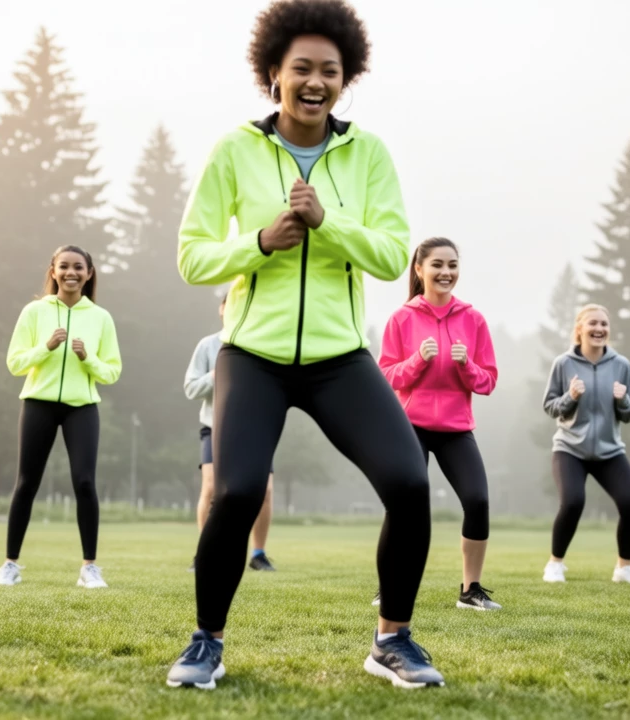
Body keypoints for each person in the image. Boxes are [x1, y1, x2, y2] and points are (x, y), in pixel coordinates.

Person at [166, 0, 443, 690]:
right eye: (301, 69)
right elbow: (192, 256)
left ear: (346, 79)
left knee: (409, 484)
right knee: (234, 492)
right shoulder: (235, 149)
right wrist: (260, 243)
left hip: (338, 358)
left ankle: (392, 640)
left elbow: (392, 255)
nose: (316, 82)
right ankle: (205, 643)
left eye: (330, 71)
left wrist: (328, 222)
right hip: (252, 356)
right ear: (273, 74)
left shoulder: (367, 153)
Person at [378, 237, 499, 611]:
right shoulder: (401, 318)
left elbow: (488, 381)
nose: (446, 272)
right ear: (419, 269)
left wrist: (466, 365)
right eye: (437, 265)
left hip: (456, 429)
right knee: (404, 501)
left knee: (477, 500)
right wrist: (417, 360)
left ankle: (471, 590)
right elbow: (386, 376)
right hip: (410, 426)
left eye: (452, 265)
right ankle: (391, 585)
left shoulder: (473, 320)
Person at [0, 246, 122, 589]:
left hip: (83, 407)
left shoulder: (101, 318)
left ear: (89, 273)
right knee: (26, 483)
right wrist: (46, 347)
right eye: (64, 266)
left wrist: (87, 358)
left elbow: (112, 372)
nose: (71, 273)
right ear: (53, 271)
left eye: (78, 267)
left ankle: (89, 568)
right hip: (39, 403)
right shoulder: (34, 312)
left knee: (85, 483)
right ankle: (9, 565)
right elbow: (15, 363)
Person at [541, 304, 630, 586]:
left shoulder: (621, 365)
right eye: (593, 323)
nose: (599, 328)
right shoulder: (563, 364)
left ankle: (624, 568)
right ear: (580, 329)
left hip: (609, 450)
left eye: (604, 324)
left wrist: (622, 400)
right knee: (573, 501)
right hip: (569, 448)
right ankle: (555, 564)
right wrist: (571, 396)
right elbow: (550, 406)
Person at [184, 297, 277, 573]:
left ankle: (258, 554)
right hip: (215, 426)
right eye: (231, 304)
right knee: (211, 488)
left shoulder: (262, 344)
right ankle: (204, 554)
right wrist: (214, 376)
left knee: (265, 490)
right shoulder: (207, 345)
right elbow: (190, 388)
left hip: (256, 427)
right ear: (222, 309)